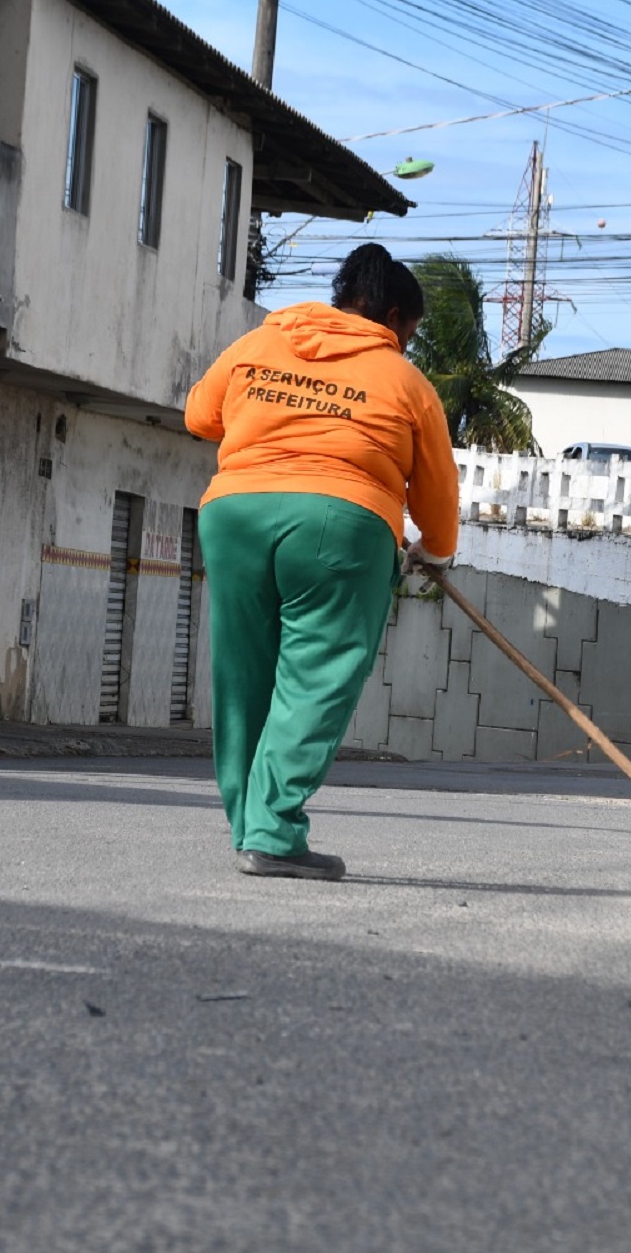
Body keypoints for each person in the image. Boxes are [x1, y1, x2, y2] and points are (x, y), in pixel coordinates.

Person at [185, 243, 458, 880]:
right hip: (341, 522)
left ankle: (250, 825)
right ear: (392, 315)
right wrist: (435, 552)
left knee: (243, 673)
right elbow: (438, 492)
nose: (407, 344)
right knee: (316, 676)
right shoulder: (405, 382)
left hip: (235, 512)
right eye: (409, 333)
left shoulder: (260, 342)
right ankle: (273, 831)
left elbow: (200, 416)